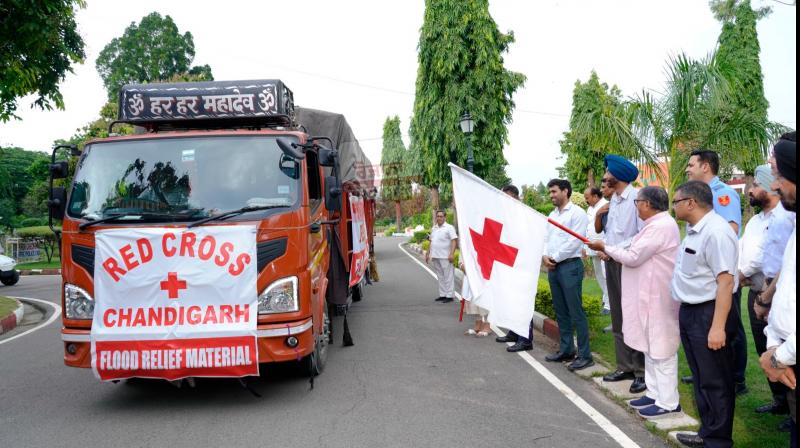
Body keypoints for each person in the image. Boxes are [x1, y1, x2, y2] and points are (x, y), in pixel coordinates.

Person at [588, 187, 682, 419]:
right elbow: (631, 248)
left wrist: (605, 247)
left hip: (657, 297)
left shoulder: (661, 226)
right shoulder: (653, 225)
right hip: (647, 296)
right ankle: (653, 393)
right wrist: (609, 248)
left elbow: (633, 256)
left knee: (661, 350)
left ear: (648, 204)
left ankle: (669, 402)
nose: (636, 205)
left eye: (637, 202)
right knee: (650, 348)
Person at [671, 181, 739, 448]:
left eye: (676, 201)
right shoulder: (695, 231)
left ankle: (719, 441)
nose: (673, 206)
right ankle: (708, 432)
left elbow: (726, 282)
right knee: (701, 376)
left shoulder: (717, 232)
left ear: (691, 202)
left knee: (715, 380)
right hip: (691, 312)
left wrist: (717, 327)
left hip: (709, 313)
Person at [685, 149, 748, 394]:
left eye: (691, 164)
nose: (688, 169)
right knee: (708, 325)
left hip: (722, 272)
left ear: (706, 166)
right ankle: (706, 371)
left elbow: (730, 229)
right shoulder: (698, 195)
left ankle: (736, 378)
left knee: (730, 326)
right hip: (705, 275)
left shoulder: (724, 195)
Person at [740, 164, 793, 426]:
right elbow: (744, 251)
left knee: (785, 350)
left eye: (756, 185)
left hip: (774, 293)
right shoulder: (755, 221)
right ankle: (780, 401)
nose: (752, 190)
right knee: (765, 347)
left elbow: (767, 258)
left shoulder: (784, 217)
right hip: (756, 292)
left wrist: (764, 294)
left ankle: (791, 405)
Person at [759, 132, 797, 446]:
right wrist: (773, 344)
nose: (775, 185)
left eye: (781, 177)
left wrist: (777, 357)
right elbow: (786, 290)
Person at [600, 155, 646, 394]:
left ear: (617, 175)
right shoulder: (615, 200)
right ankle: (624, 366)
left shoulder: (637, 199)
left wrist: (612, 250)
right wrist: (607, 249)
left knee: (633, 316)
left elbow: (640, 235)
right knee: (618, 315)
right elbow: (612, 232)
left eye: (608, 172)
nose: (605, 176)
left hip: (629, 263)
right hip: (613, 260)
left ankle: (641, 371)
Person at [542, 179, 593, 371]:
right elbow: (546, 238)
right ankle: (566, 349)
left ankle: (585, 355)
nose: (551, 195)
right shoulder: (552, 215)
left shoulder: (577, 214)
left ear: (565, 191)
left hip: (570, 267)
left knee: (575, 312)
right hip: (554, 268)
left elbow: (574, 242)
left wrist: (553, 257)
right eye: (550, 192)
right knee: (561, 311)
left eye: (554, 192)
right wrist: (545, 255)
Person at [493, 185, 536, 352]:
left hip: (523, 264)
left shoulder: (526, 215)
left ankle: (525, 339)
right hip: (509, 263)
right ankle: (513, 332)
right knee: (512, 301)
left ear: (516, 197)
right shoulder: (507, 216)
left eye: (507, 198)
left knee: (523, 302)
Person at [584, 187, 610, 314]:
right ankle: (606, 298)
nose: (586, 200)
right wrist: (585, 246)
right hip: (592, 246)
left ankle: (610, 305)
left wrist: (605, 248)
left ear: (595, 196)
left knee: (606, 275)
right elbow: (588, 227)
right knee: (599, 275)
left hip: (603, 247)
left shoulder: (606, 205)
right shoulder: (590, 209)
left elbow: (607, 228)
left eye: (587, 197)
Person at [426, 210, 458, 304]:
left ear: (445, 217)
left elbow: (454, 240)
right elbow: (431, 241)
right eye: (438, 216)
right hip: (435, 255)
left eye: (441, 216)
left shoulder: (449, 227)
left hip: (445, 256)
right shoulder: (434, 228)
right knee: (440, 276)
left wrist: (451, 253)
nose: (439, 218)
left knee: (448, 276)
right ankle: (443, 294)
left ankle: (450, 295)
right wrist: (428, 253)